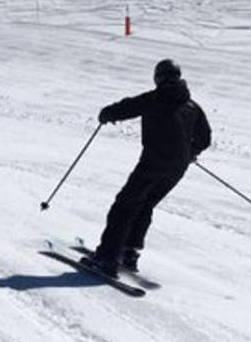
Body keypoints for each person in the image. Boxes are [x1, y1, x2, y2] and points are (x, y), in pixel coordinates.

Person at [82, 59, 212, 277]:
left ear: (158, 77)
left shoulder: (155, 98)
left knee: (124, 206)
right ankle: (128, 252)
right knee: (145, 204)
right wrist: (190, 153)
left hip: (153, 163)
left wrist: (107, 114)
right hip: (176, 169)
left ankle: (107, 258)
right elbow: (205, 138)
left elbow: (128, 107)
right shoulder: (193, 107)